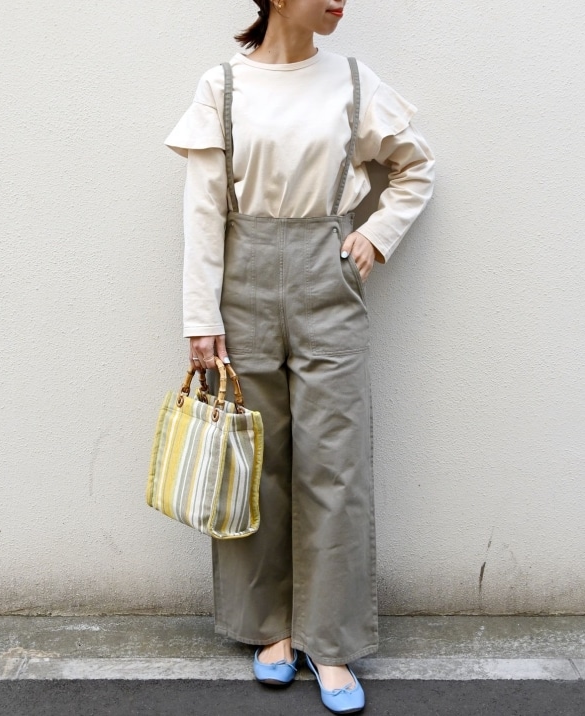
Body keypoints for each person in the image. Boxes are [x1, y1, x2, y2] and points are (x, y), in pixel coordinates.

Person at [165, 0, 435, 712]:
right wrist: (200, 317)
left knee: (334, 462)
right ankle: (270, 629)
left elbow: (415, 168)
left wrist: (375, 234)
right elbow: (203, 209)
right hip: (243, 278)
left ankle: (331, 640)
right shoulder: (223, 87)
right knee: (256, 462)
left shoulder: (352, 81)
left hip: (327, 276)